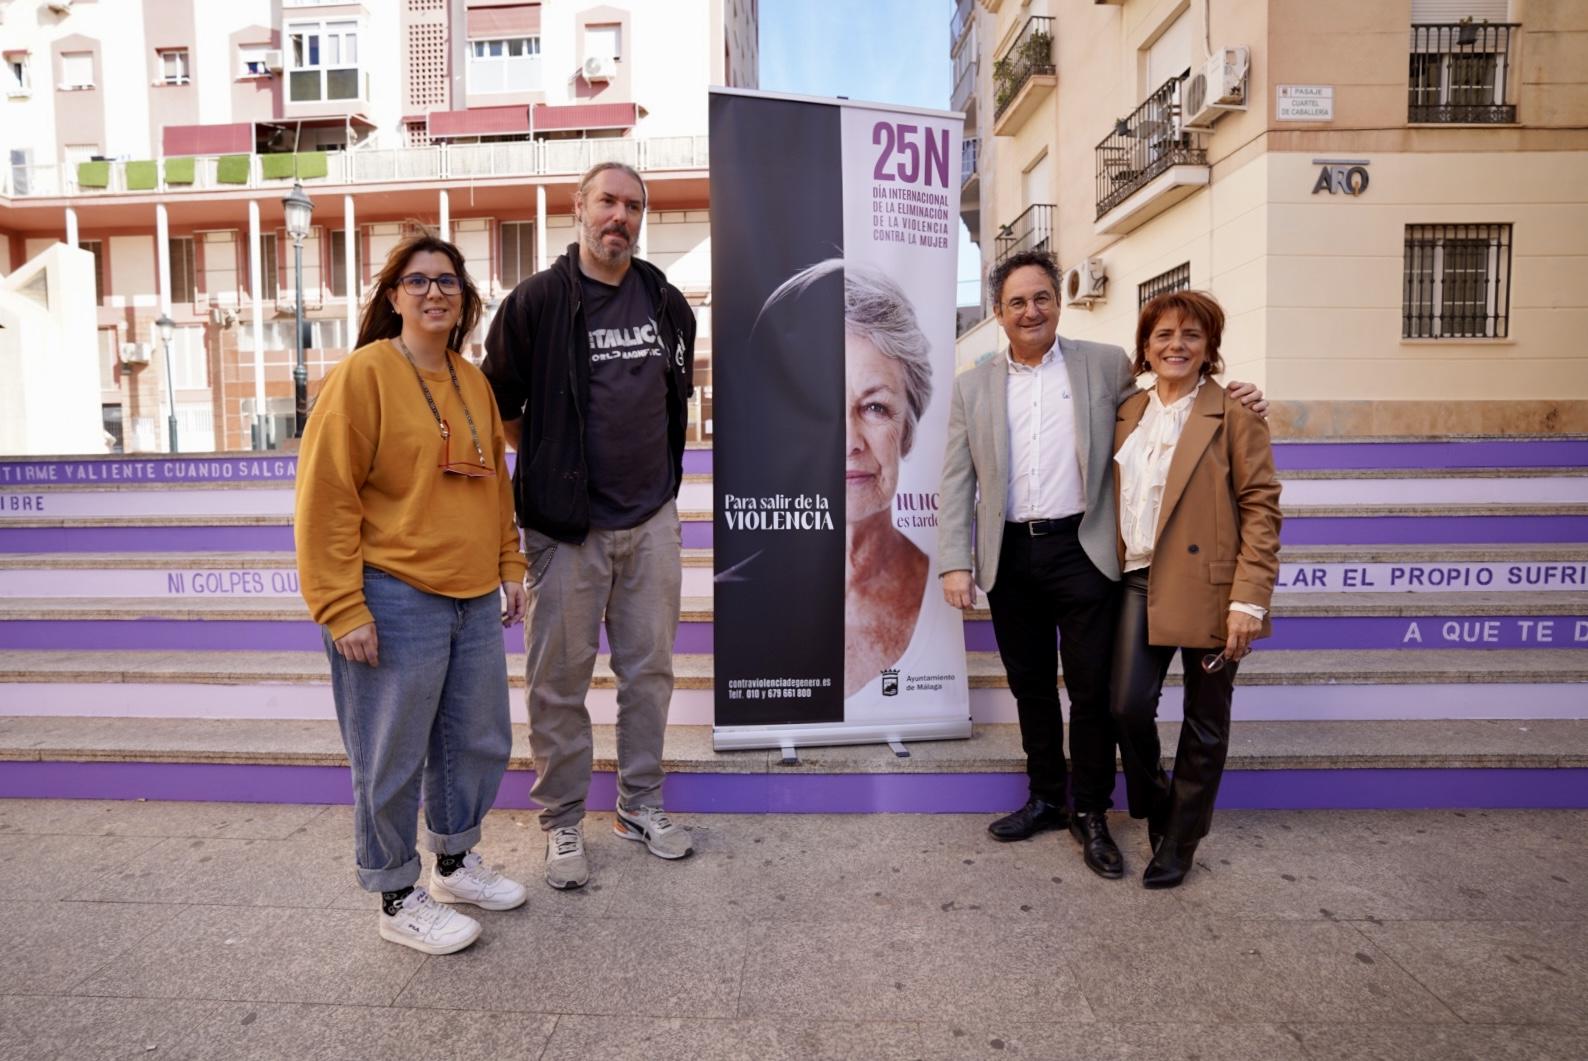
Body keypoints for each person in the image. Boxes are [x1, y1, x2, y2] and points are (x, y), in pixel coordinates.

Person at [938, 250, 1265, 879]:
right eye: (1016, 302)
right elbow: (958, 479)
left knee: (1092, 693)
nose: (1031, 311)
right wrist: (957, 561)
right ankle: (1044, 797)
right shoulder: (971, 386)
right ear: (998, 313)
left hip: (1086, 551)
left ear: (1058, 303)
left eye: (1041, 298)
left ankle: (1090, 811)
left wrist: (1241, 392)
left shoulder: (1105, 365)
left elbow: (1174, 403)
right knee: (1029, 687)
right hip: (1007, 553)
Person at [296, 233, 529, 955]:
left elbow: (494, 486)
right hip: (392, 594)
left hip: (470, 598)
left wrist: (510, 565)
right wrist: (340, 604)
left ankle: (455, 862)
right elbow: (325, 496)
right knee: (390, 753)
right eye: (420, 280)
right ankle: (397, 893)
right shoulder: (363, 375)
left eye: (449, 282)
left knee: (476, 739)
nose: (436, 292)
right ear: (394, 294)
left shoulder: (473, 380)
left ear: (465, 300)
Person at [482, 161, 697, 891]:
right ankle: (563, 819)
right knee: (558, 680)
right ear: (579, 207)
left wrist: (661, 494)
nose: (621, 216)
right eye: (608, 201)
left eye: (633, 205)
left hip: (651, 521)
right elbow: (500, 405)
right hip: (567, 530)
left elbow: (673, 403)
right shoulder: (538, 302)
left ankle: (640, 804)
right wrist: (547, 465)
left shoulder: (668, 304)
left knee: (650, 673)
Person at [1110, 290, 1282, 889]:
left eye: (1190, 335)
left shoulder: (1235, 414)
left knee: (1206, 722)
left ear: (1209, 347)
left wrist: (1249, 601)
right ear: (1146, 346)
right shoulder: (1128, 412)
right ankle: (1161, 802)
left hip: (1214, 589)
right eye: (1163, 335)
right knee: (1127, 706)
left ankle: (1180, 839)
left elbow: (1261, 508)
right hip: (1138, 579)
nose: (1175, 346)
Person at [756, 260, 959, 710]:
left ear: (906, 430)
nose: (849, 443)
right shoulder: (743, 590)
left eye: (875, 408)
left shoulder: (938, 588)